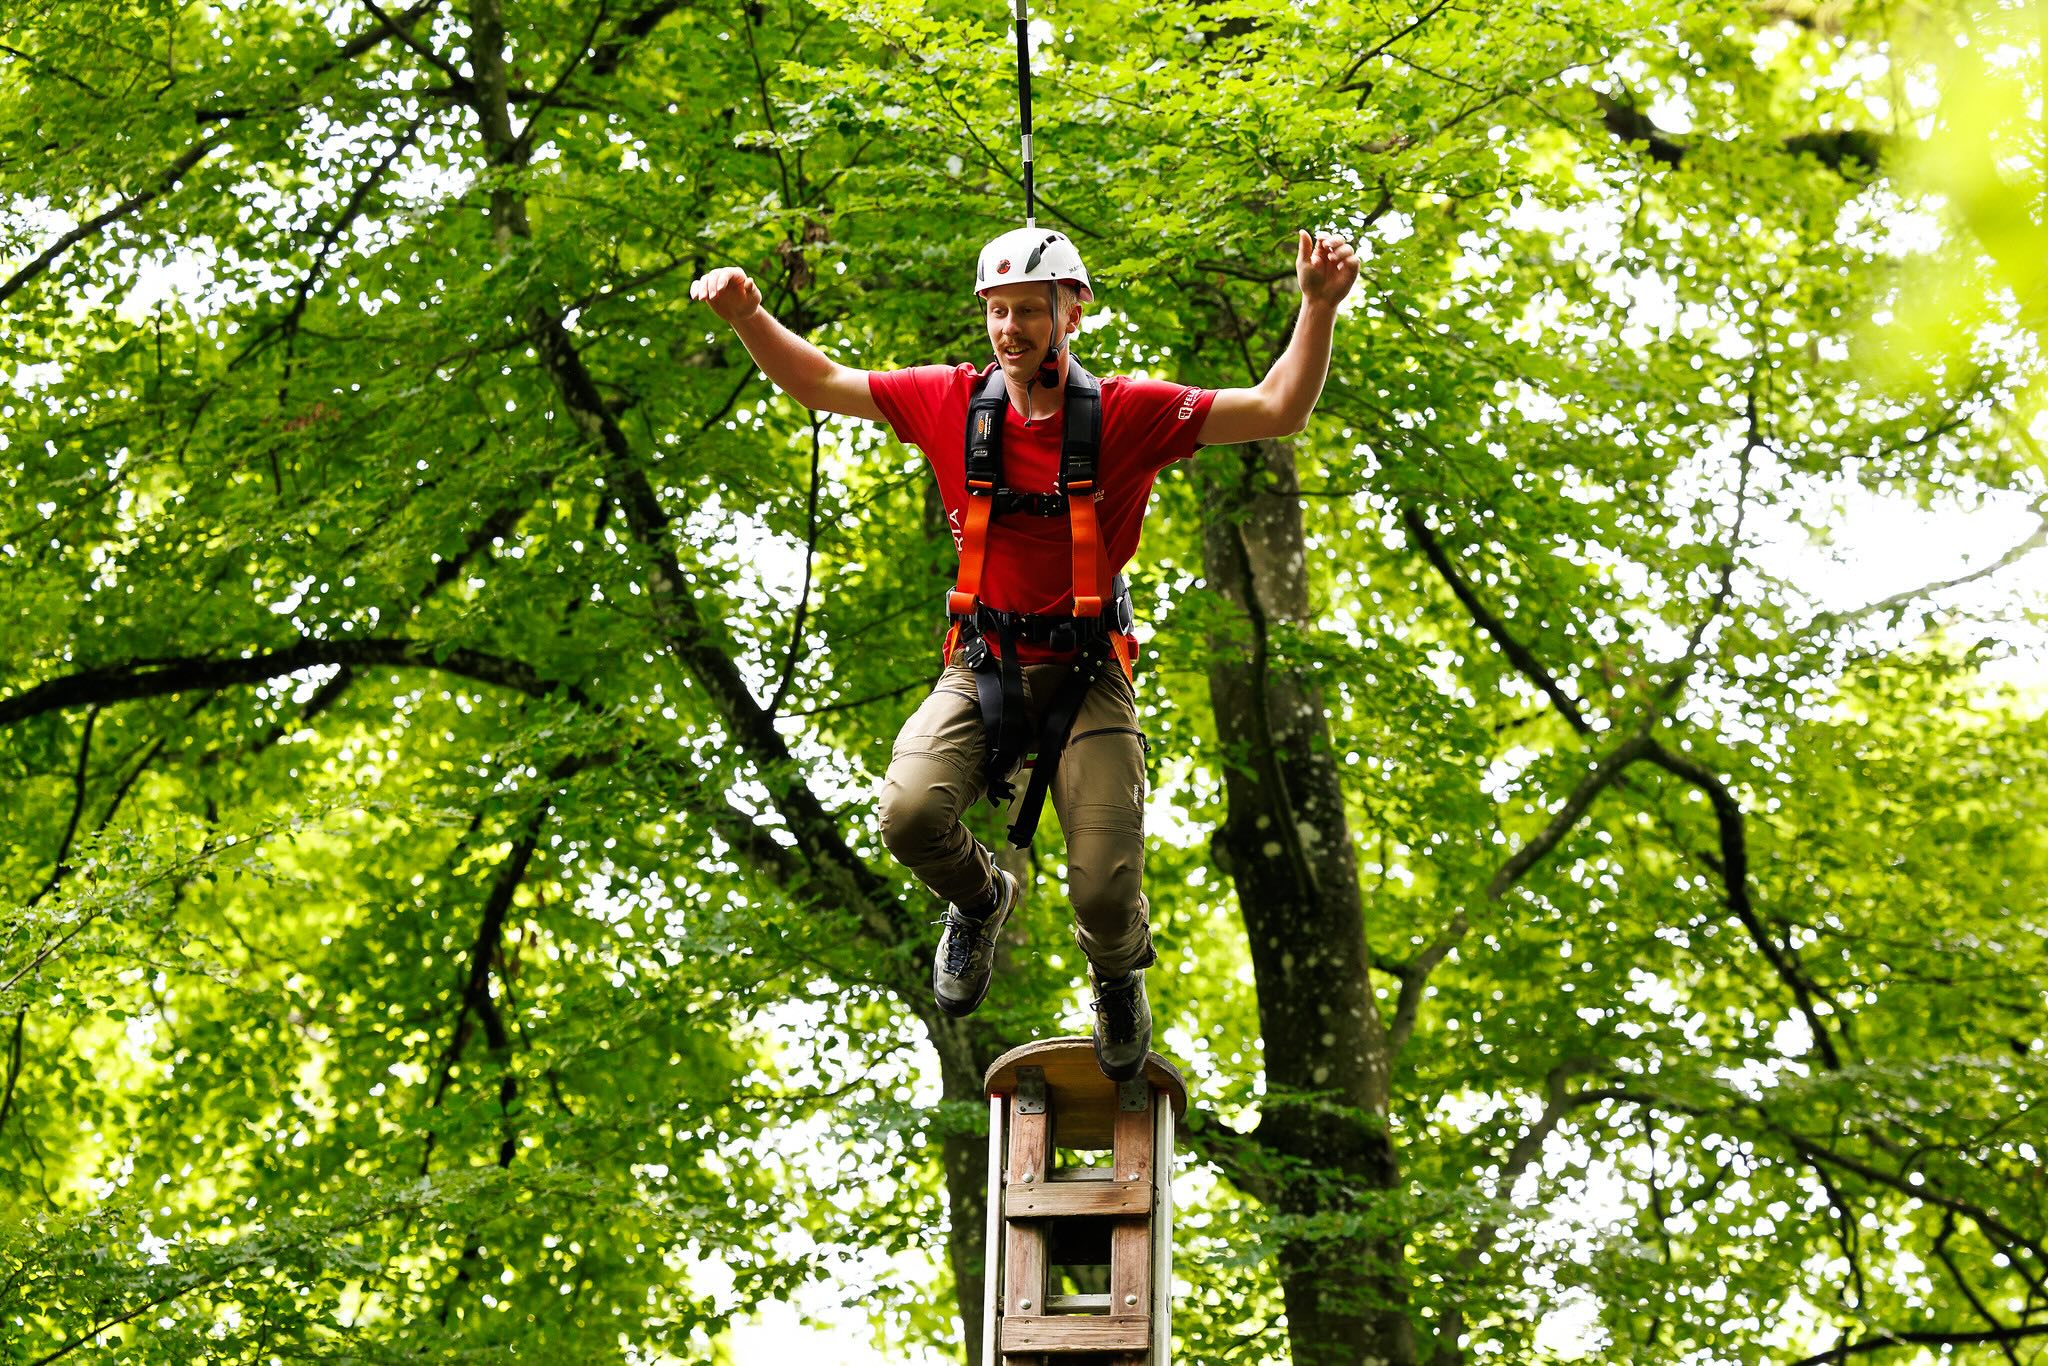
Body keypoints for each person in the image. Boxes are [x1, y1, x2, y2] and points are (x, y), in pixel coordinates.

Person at [691, 227, 1359, 1078]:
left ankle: (1117, 976)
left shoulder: (1129, 412)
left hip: (1087, 674)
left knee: (1106, 890)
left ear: (1072, 313)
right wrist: (750, 315)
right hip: (984, 662)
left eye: (1029, 311)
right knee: (908, 815)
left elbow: (1277, 408)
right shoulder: (948, 402)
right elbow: (822, 383)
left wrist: (1317, 305)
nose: (1010, 329)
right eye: (997, 311)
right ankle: (980, 900)